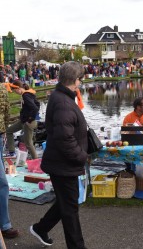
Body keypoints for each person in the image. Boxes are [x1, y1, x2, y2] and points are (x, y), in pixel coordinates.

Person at [30, 61, 88, 248]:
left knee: (66, 203)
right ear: (76, 80)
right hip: (64, 165)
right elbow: (65, 138)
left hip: (60, 162)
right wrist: (81, 156)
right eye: (80, 79)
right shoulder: (63, 101)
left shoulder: (60, 96)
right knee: (70, 208)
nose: (80, 83)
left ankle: (40, 228)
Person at [0, 83, 19, 239]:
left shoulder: (1, 88)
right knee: (2, 182)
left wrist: (4, 130)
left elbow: (6, 112)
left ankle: (4, 225)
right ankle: (5, 225)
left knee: (2, 182)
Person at [6, 80, 40, 159]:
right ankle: (12, 152)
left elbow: (34, 108)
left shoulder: (26, 95)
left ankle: (36, 161)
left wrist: (30, 119)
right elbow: (37, 104)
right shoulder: (29, 93)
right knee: (9, 130)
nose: (15, 93)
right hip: (24, 120)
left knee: (28, 143)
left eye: (15, 91)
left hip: (28, 122)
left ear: (18, 89)